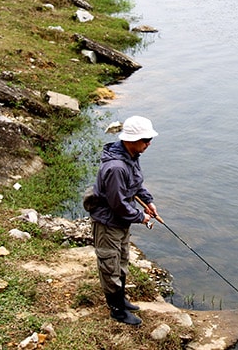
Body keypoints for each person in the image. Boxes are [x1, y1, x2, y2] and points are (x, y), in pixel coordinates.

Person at [89, 116, 159, 325]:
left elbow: (136, 185)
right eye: (145, 139)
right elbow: (117, 204)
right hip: (108, 223)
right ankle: (117, 310)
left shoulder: (131, 156)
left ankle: (122, 300)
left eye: (149, 139)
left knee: (121, 261)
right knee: (110, 265)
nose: (148, 143)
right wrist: (141, 217)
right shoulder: (117, 168)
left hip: (121, 223)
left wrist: (148, 201)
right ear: (131, 139)